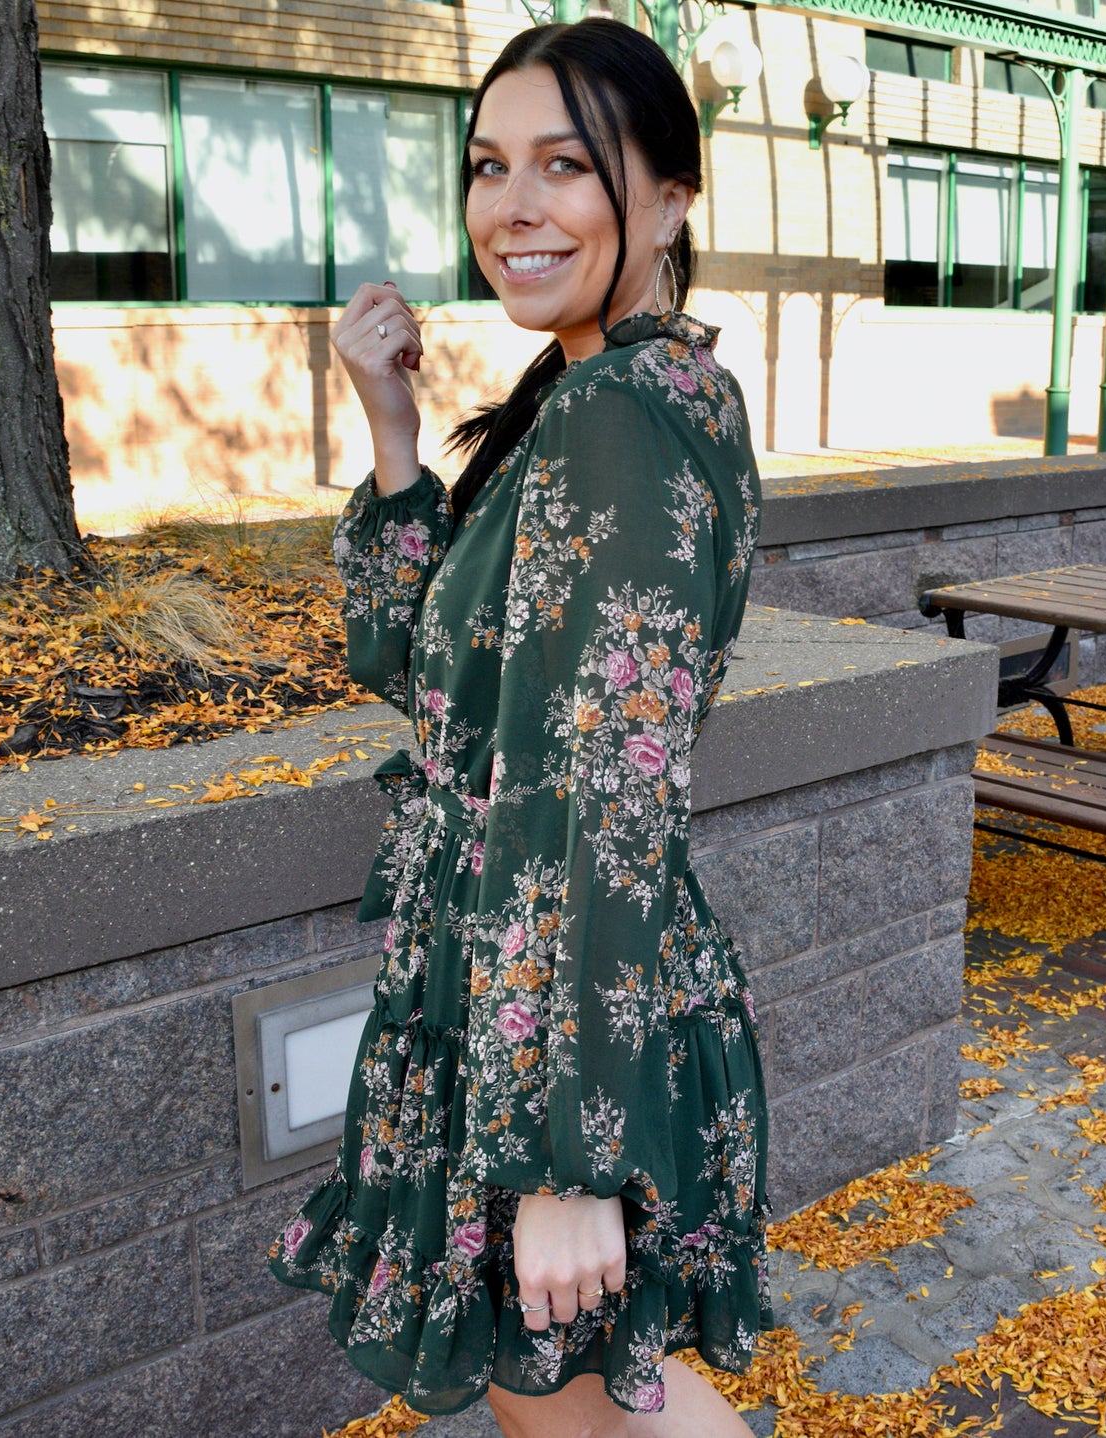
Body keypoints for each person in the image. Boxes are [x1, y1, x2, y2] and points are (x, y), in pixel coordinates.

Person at [269, 18, 770, 1435]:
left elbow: (609, 781)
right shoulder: (587, 398)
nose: (513, 205)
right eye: (489, 167)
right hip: (510, 989)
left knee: (580, 1405)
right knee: (587, 1395)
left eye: (565, 164)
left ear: (669, 196)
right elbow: (415, 664)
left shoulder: (622, 412)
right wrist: (391, 422)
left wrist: (564, 1162)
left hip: (549, 1020)